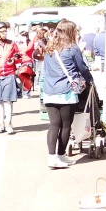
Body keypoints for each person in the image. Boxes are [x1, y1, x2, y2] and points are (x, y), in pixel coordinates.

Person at [43, 20, 92, 169]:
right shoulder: (72, 48)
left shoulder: (49, 47)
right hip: (66, 91)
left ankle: (52, 157)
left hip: (50, 90)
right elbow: (82, 68)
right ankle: (61, 155)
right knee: (65, 126)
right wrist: (90, 80)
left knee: (53, 125)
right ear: (71, 32)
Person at [17, 31, 35, 98]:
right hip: (20, 62)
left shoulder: (30, 43)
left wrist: (21, 49)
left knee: (27, 78)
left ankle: (26, 93)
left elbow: (27, 50)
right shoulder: (19, 43)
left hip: (27, 61)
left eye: (23, 36)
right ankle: (20, 92)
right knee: (19, 78)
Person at [32, 27, 48, 95]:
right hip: (40, 58)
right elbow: (45, 47)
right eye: (46, 33)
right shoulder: (40, 41)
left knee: (41, 71)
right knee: (41, 71)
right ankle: (39, 85)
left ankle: (38, 84)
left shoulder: (46, 40)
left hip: (42, 57)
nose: (47, 34)